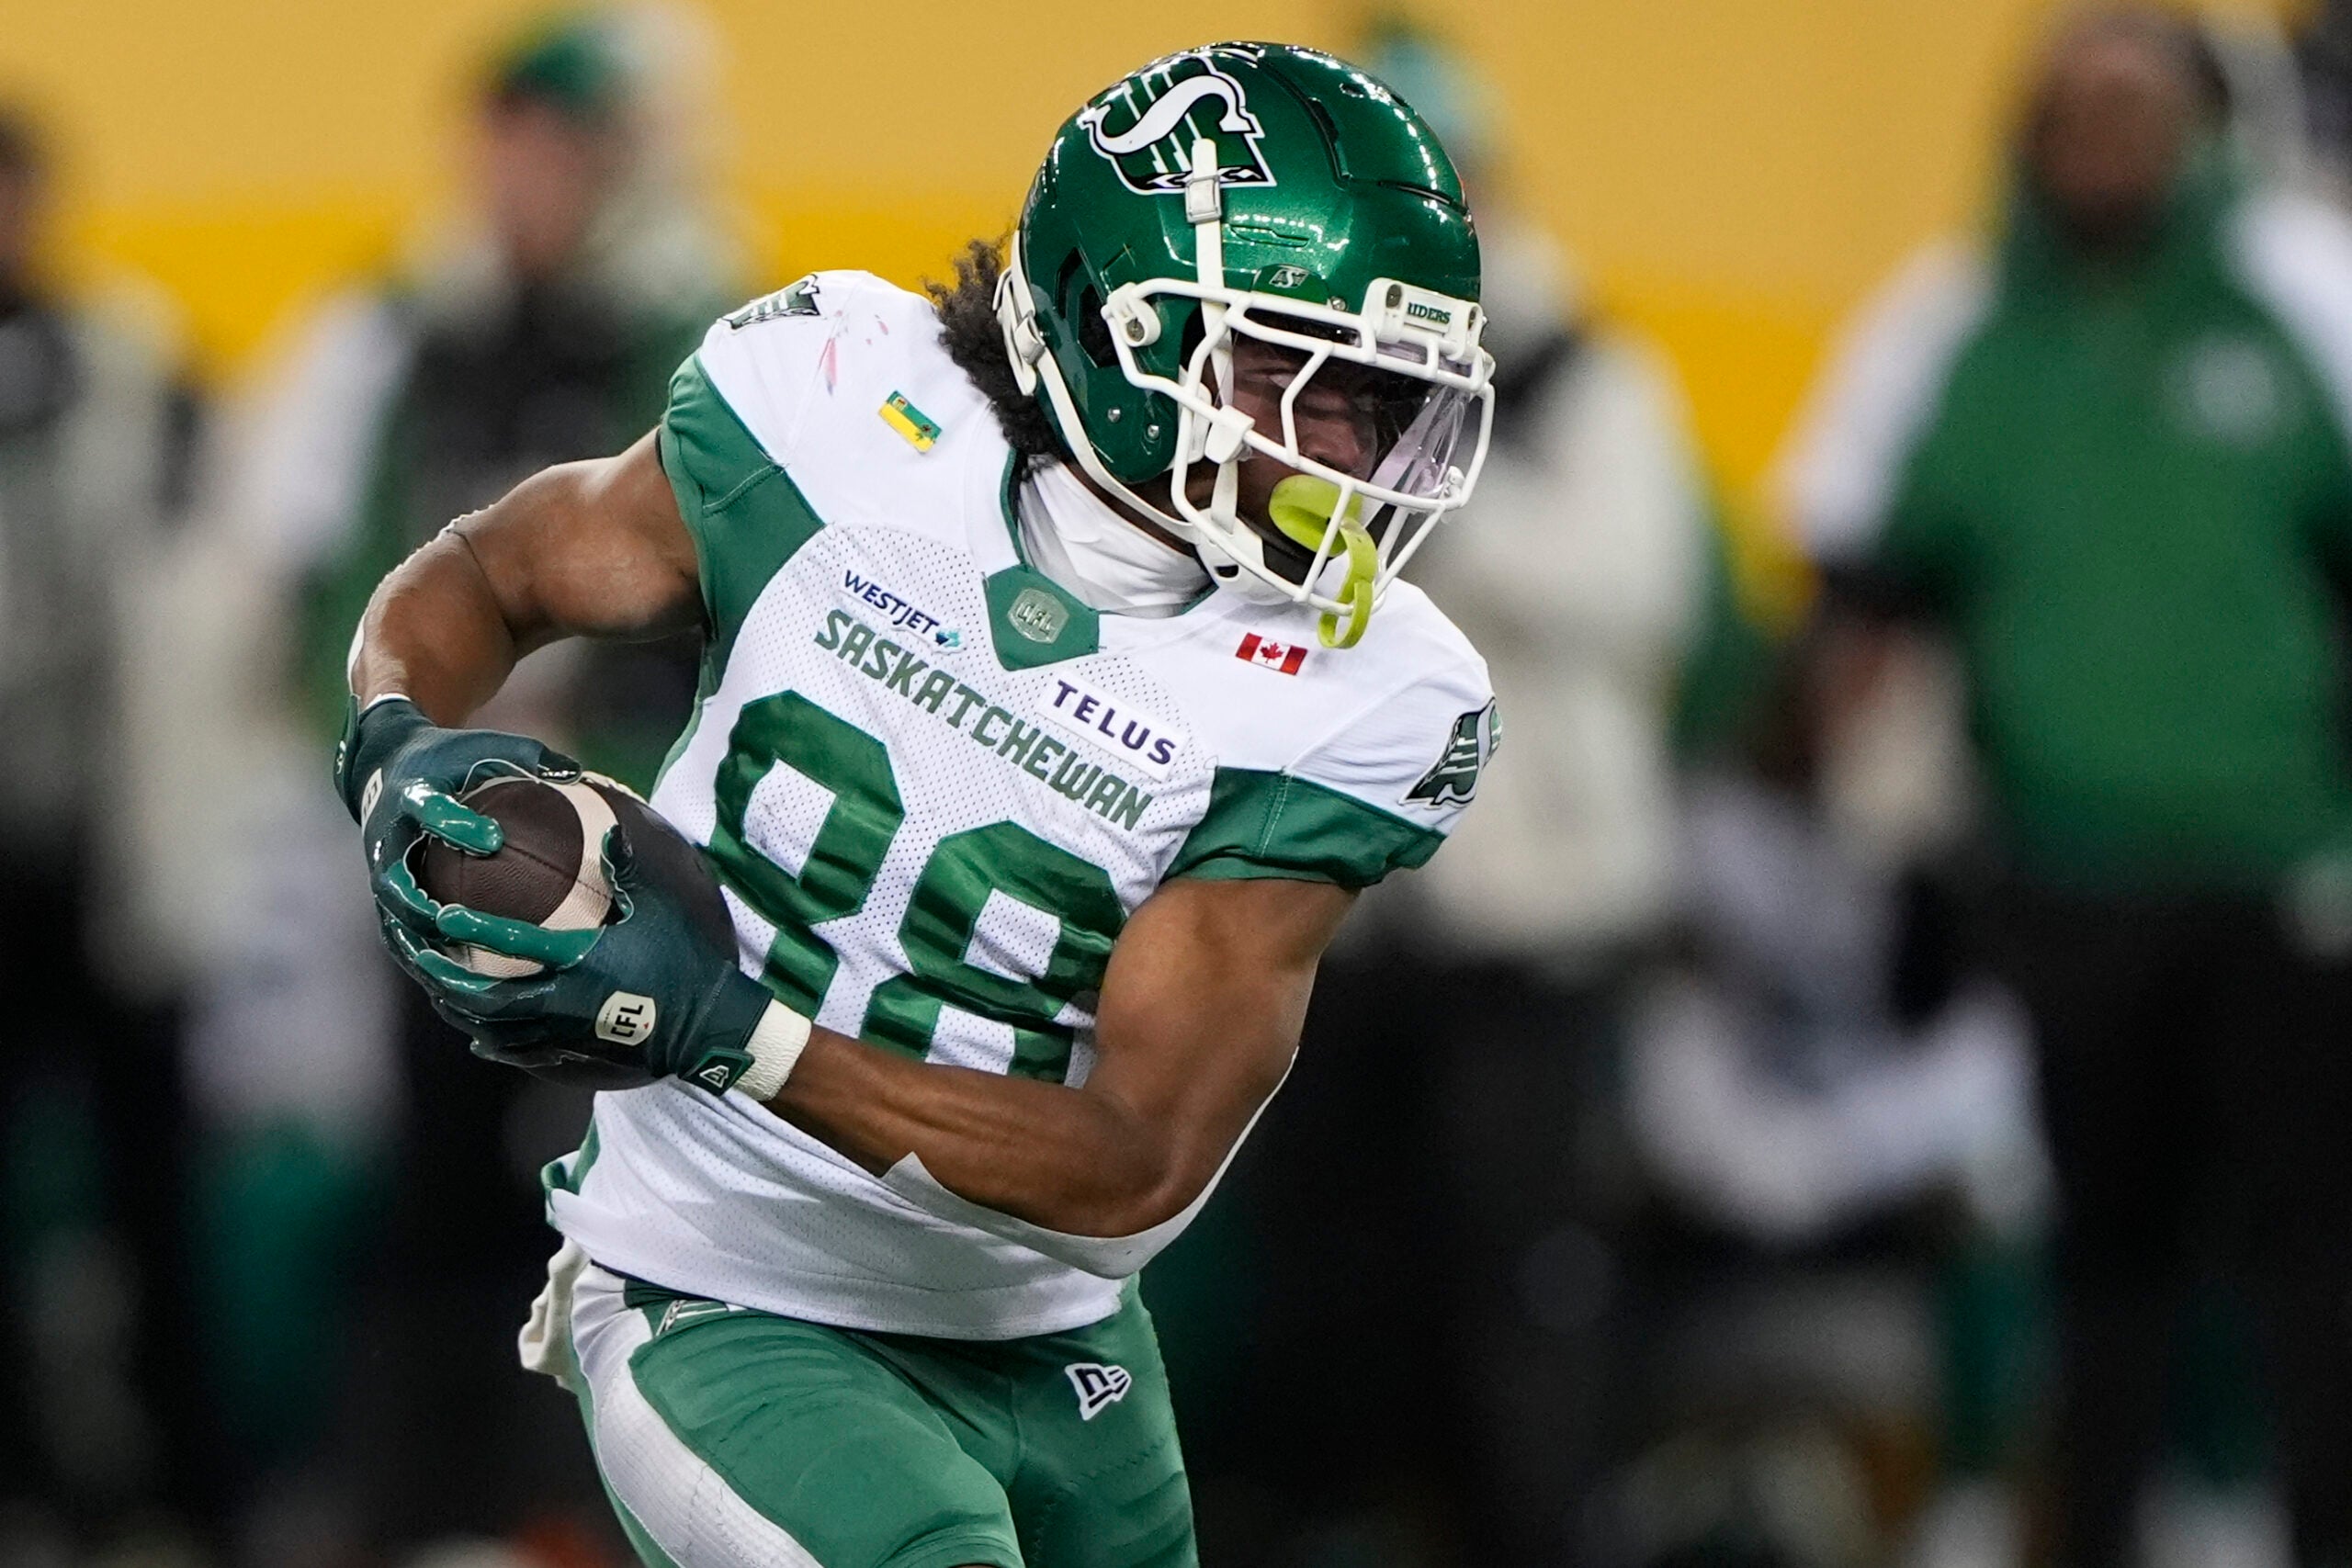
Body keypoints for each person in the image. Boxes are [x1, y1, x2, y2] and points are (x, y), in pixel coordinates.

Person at [334, 41, 1498, 1568]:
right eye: (1297, 379)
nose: (1349, 454)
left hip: (1048, 1334)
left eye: (1383, 400)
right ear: (1107, 323)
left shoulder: (1361, 690)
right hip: (727, 1283)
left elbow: (1133, 1158)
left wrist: (735, 1033)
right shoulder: (835, 402)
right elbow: (490, 570)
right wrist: (390, 743)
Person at [1780, 11, 2352, 1565]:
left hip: (2287, 869)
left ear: (2205, 126)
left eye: (2139, 103)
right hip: (2064, 868)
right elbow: (1855, 569)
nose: (2106, 134)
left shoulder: (2302, 290)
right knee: (2101, 1255)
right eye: (2077, 104)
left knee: (2316, 1260)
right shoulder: (1955, 315)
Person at [183, 11, 735, 1555]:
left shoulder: (702, 344)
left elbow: (744, 625)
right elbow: (328, 605)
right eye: (509, 145)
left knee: (613, 1193)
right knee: (419, 1187)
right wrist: (399, 758)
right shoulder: (400, 342)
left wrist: (602, 769)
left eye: (560, 147)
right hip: (429, 837)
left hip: (630, 854)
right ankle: (416, 1509)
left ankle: (585, 1510)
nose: (526, 180)